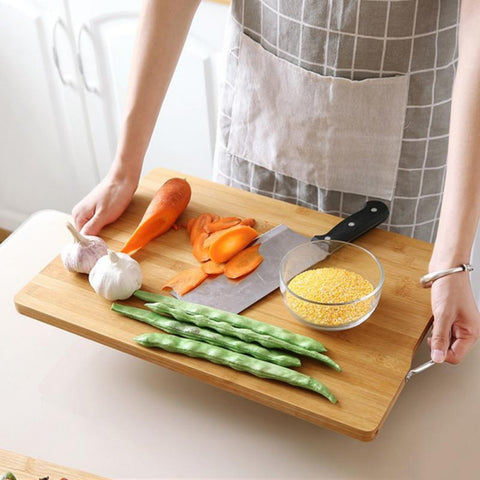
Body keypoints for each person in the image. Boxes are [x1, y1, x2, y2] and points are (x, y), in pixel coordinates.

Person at [72, 0, 480, 365]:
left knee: (374, 355)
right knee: (228, 342)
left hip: (402, 146)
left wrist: (451, 263)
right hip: (264, 110)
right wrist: (125, 167)